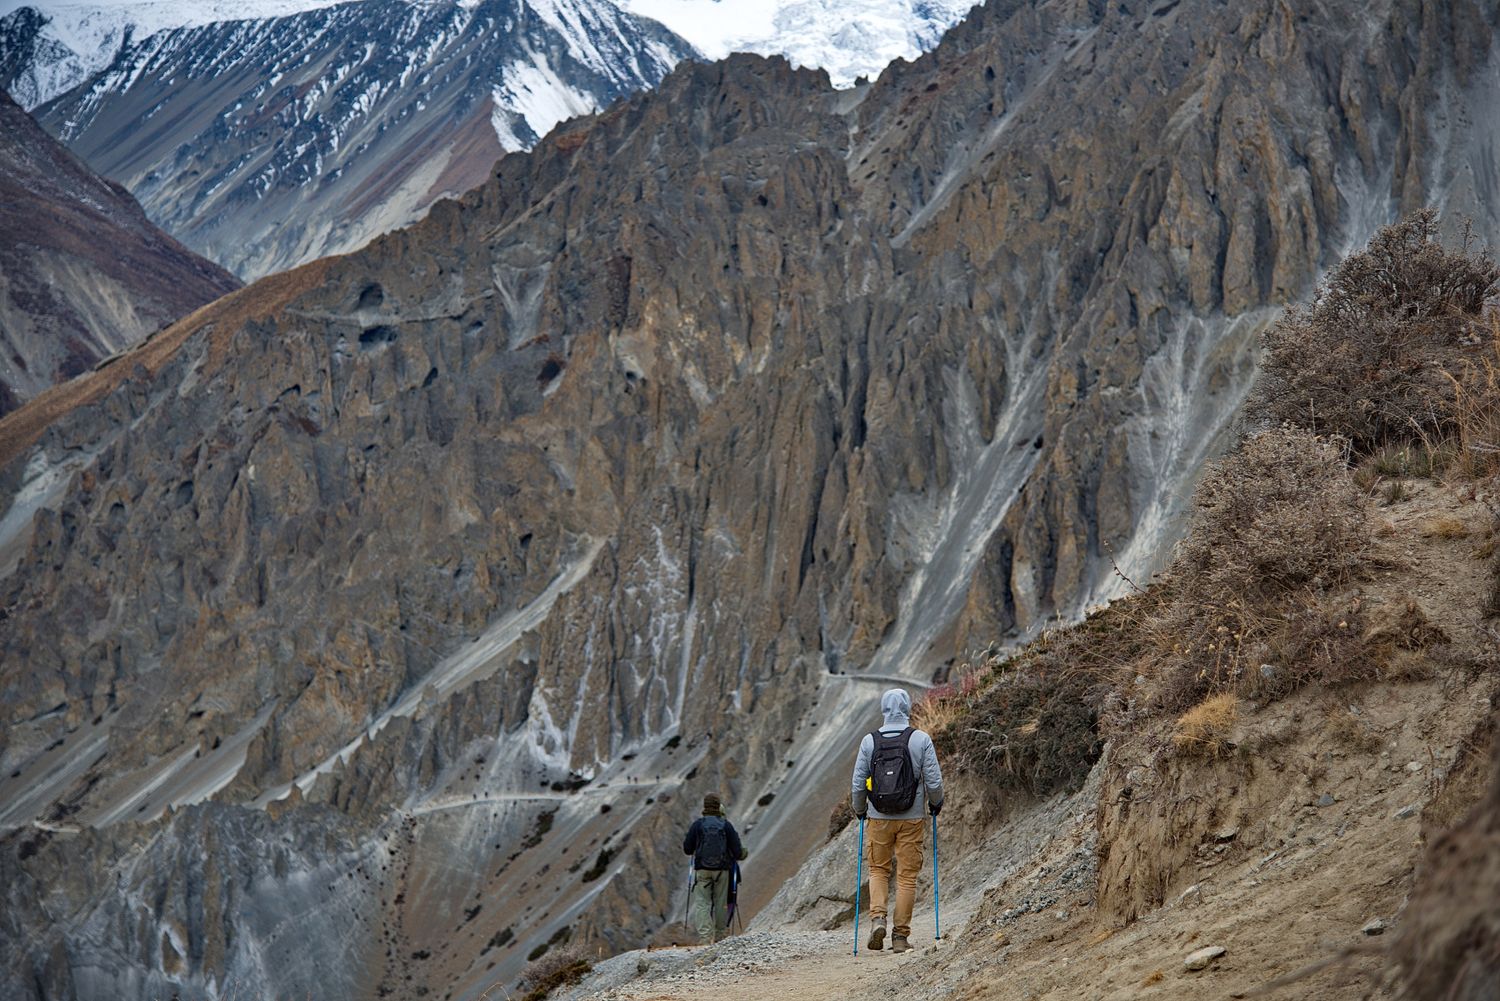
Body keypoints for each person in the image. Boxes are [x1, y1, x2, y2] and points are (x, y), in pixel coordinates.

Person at [850, 687, 944, 954]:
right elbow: (934, 781)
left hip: (878, 817)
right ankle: (900, 937)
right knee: (907, 877)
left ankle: (877, 918)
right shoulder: (920, 739)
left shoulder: (869, 741)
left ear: (883, 709)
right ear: (908, 708)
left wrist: (860, 810)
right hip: (912, 817)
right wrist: (936, 803)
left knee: (878, 870)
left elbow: (858, 783)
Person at [682, 793, 747, 943]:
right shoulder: (726, 825)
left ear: (705, 806)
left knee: (702, 902)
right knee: (720, 902)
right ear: (718, 806)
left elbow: (687, 849)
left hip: (702, 870)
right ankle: (720, 936)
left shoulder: (698, 825)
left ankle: (705, 939)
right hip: (722, 870)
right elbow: (737, 851)